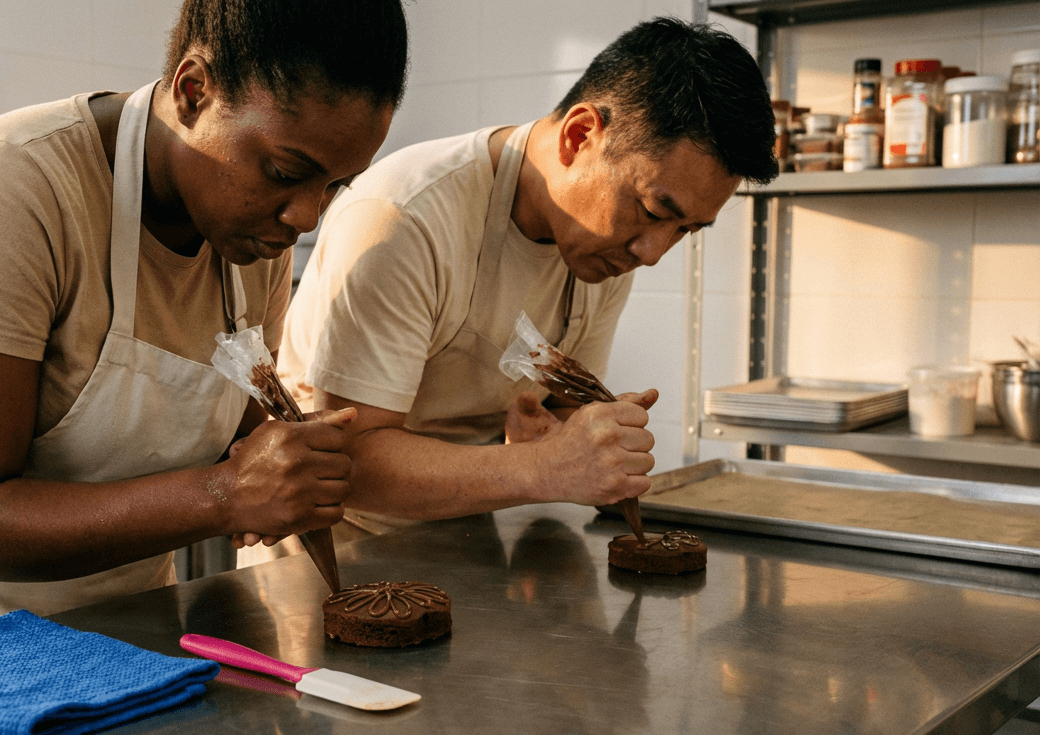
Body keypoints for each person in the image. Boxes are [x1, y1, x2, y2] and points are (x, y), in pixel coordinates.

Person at [0, 0, 409, 671]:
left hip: (113, 633)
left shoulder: (251, 242)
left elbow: (234, 438)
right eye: (285, 173)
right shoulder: (8, 187)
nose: (304, 216)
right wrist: (225, 495)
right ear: (193, 90)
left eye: (334, 186)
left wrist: (283, 463)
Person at [237, 17, 777, 563]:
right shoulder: (405, 217)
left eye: (684, 230)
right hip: (326, 560)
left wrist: (574, 433)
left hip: (466, 545)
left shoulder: (604, 250)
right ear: (579, 135)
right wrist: (544, 467)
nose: (654, 252)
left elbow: (564, 408)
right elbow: (348, 462)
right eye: (655, 211)